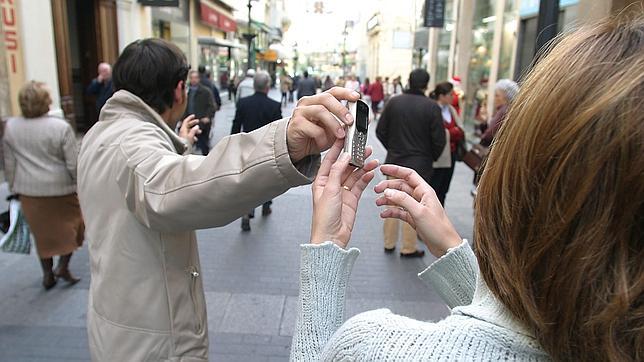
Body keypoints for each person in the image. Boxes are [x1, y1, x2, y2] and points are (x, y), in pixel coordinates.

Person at [290, 15, 643, 361]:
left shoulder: (371, 347)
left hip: (397, 157)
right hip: (423, 162)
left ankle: (391, 243)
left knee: (393, 205)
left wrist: (326, 246)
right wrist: (448, 245)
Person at [76, 38, 359, 361]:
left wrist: (177, 146)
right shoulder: (131, 146)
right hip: (153, 343)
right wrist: (284, 144)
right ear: (180, 89)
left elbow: (140, 187)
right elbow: (172, 186)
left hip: (117, 324)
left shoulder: (100, 133)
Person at [3, 81, 84, 290]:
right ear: (46, 102)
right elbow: (73, 163)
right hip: (61, 190)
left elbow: (10, 163)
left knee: (43, 236)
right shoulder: (60, 127)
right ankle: (63, 267)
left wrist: (14, 188)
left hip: (30, 191)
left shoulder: (11, 127)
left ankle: (48, 274)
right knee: (74, 228)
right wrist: (80, 183)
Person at [376, 69, 445, 258]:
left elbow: (381, 130)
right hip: (420, 165)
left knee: (391, 202)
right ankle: (408, 247)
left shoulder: (394, 102)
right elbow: (439, 139)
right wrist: (431, 156)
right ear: (426, 84)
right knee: (413, 207)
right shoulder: (431, 107)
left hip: (396, 161)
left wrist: (393, 147)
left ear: (409, 81)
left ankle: (389, 243)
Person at [231, 71, 283, 231]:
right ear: (267, 87)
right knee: (267, 180)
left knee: (247, 180)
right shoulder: (274, 106)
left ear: (254, 86)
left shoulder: (243, 103)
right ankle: (266, 205)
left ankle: (246, 212)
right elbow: (279, 131)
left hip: (247, 148)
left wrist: (233, 145)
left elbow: (236, 125)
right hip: (266, 150)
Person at [429, 82, 464, 206]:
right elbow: (436, 133)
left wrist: (451, 132)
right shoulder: (433, 109)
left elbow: (460, 130)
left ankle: (440, 212)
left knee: (444, 188)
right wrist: (452, 132)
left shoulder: (451, 110)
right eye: (450, 94)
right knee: (435, 187)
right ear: (442, 96)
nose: (452, 97)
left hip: (452, 153)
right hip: (439, 156)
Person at [184, 70, 217, 155]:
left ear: (199, 79)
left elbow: (212, 106)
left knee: (204, 146)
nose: (193, 80)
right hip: (190, 123)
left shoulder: (206, 91)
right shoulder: (186, 91)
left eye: (195, 78)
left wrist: (208, 117)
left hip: (202, 124)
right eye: (191, 78)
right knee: (188, 146)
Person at [480, 79, 519, 147]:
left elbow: (489, 135)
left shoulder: (504, 111)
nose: (494, 98)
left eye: (497, 95)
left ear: (506, 97)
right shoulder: (509, 110)